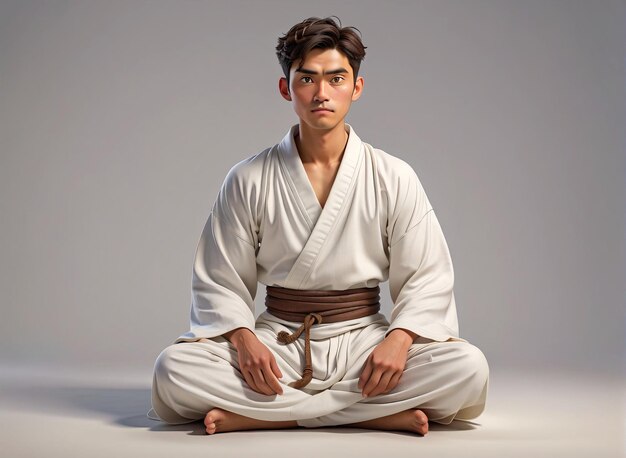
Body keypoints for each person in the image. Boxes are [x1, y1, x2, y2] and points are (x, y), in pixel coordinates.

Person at [148, 16, 489, 436]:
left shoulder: (393, 176)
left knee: (468, 368)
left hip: (365, 341)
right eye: (306, 79)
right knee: (173, 369)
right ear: (285, 88)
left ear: (357, 88)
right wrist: (244, 341)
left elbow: (427, 276)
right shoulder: (249, 178)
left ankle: (262, 416)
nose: (321, 93)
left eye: (336, 79)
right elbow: (221, 280)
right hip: (279, 341)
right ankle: (376, 414)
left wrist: (398, 342)